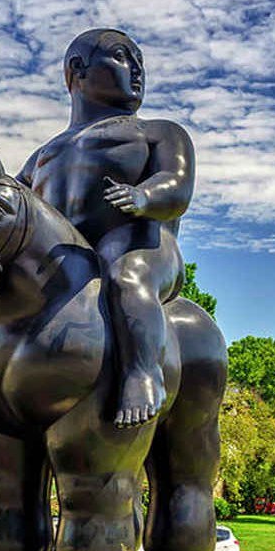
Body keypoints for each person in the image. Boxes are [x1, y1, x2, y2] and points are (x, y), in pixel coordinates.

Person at [17, 28, 194, 427]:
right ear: (77, 70)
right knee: (6, 286)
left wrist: (144, 198)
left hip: (142, 246)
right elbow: (15, 206)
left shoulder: (158, 133)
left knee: (123, 273)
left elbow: (177, 185)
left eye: (139, 62)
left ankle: (142, 372)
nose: (136, 70)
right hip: (69, 261)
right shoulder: (43, 156)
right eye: (121, 57)